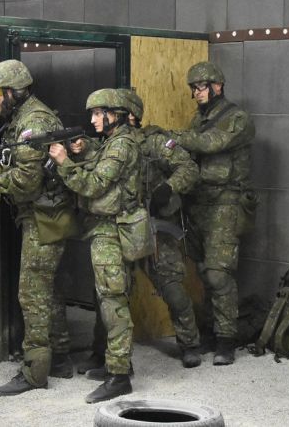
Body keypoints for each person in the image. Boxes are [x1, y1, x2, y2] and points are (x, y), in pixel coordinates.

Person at [0, 59, 77, 396]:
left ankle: (35, 372)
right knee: (48, 292)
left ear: (13, 91)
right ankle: (59, 359)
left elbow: (26, 182)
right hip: (44, 216)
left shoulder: (34, 121)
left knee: (32, 294)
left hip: (44, 218)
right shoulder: (21, 119)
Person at [49, 88, 141, 403]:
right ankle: (114, 363)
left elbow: (94, 184)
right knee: (106, 298)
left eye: (98, 113)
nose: (93, 120)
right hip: (105, 229)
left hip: (112, 230)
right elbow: (99, 156)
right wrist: (84, 147)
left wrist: (64, 162)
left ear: (115, 114)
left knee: (113, 302)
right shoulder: (112, 142)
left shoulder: (122, 146)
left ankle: (119, 377)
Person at [169, 61, 255, 365]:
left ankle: (226, 339)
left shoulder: (238, 118)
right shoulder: (198, 119)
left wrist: (173, 137)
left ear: (218, 86)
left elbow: (212, 143)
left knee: (219, 274)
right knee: (205, 271)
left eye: (202, 87)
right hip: (200, 202)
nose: (197, 93)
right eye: (194, 88)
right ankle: (210, 331)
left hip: (226, 203)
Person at [118, 88, 202, 368]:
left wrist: (168, 188)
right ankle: (102, 351)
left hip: (156, 227)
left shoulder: (154, 142)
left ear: (131, 116)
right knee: (110, 292)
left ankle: (189, 343)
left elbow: (188, 169)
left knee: (173, 289)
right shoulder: (108, 145)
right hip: (123, 227)